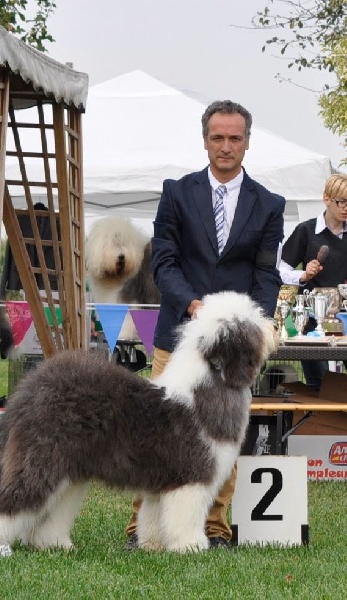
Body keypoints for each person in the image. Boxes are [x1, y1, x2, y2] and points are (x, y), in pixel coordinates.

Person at [125, 99, 285, 550]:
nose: (226, 146)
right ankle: (143, 528)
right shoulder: (176, 193)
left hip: (235, 347)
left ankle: (213, 525)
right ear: (205, 140)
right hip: (178, 334)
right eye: (218, 137)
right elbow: (164, 261)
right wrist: (192, 304)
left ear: (247, 142)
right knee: (158, 436)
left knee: (223, 434)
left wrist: (252, 327)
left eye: (235, 138)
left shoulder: (269, 204)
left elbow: (266, 274)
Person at [279, 173, 347, 390]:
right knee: (318, 383)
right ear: (326, 199)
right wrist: (303, 275)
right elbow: (279, 269)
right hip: (311, 322)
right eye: (342, 201)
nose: (346, 208)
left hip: (345, 319)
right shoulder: (306, 231)